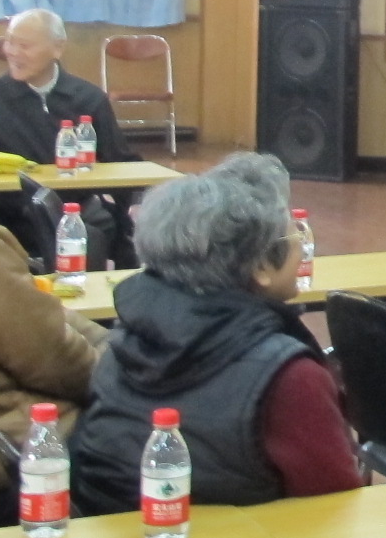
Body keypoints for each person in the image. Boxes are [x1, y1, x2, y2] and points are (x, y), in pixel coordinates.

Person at [70, 152, 362, 513]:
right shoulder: (290, 377)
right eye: (293, 234)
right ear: (261, 266)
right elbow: (335, 509)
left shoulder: (126, 338)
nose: (302, 244)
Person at [0, 59, 107, 521]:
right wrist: (124, 373)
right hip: (2, 452)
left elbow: (36, 315)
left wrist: (111, 345)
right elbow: (48, 355)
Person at [0, 8, 140, 268]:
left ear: (58, 48)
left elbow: (119, 160)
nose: (12, 52)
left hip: (77, 209)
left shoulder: (88, 98)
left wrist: (136, 203)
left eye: (24, 46)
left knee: (118, 234)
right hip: (11, 215)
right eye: (9, 42)